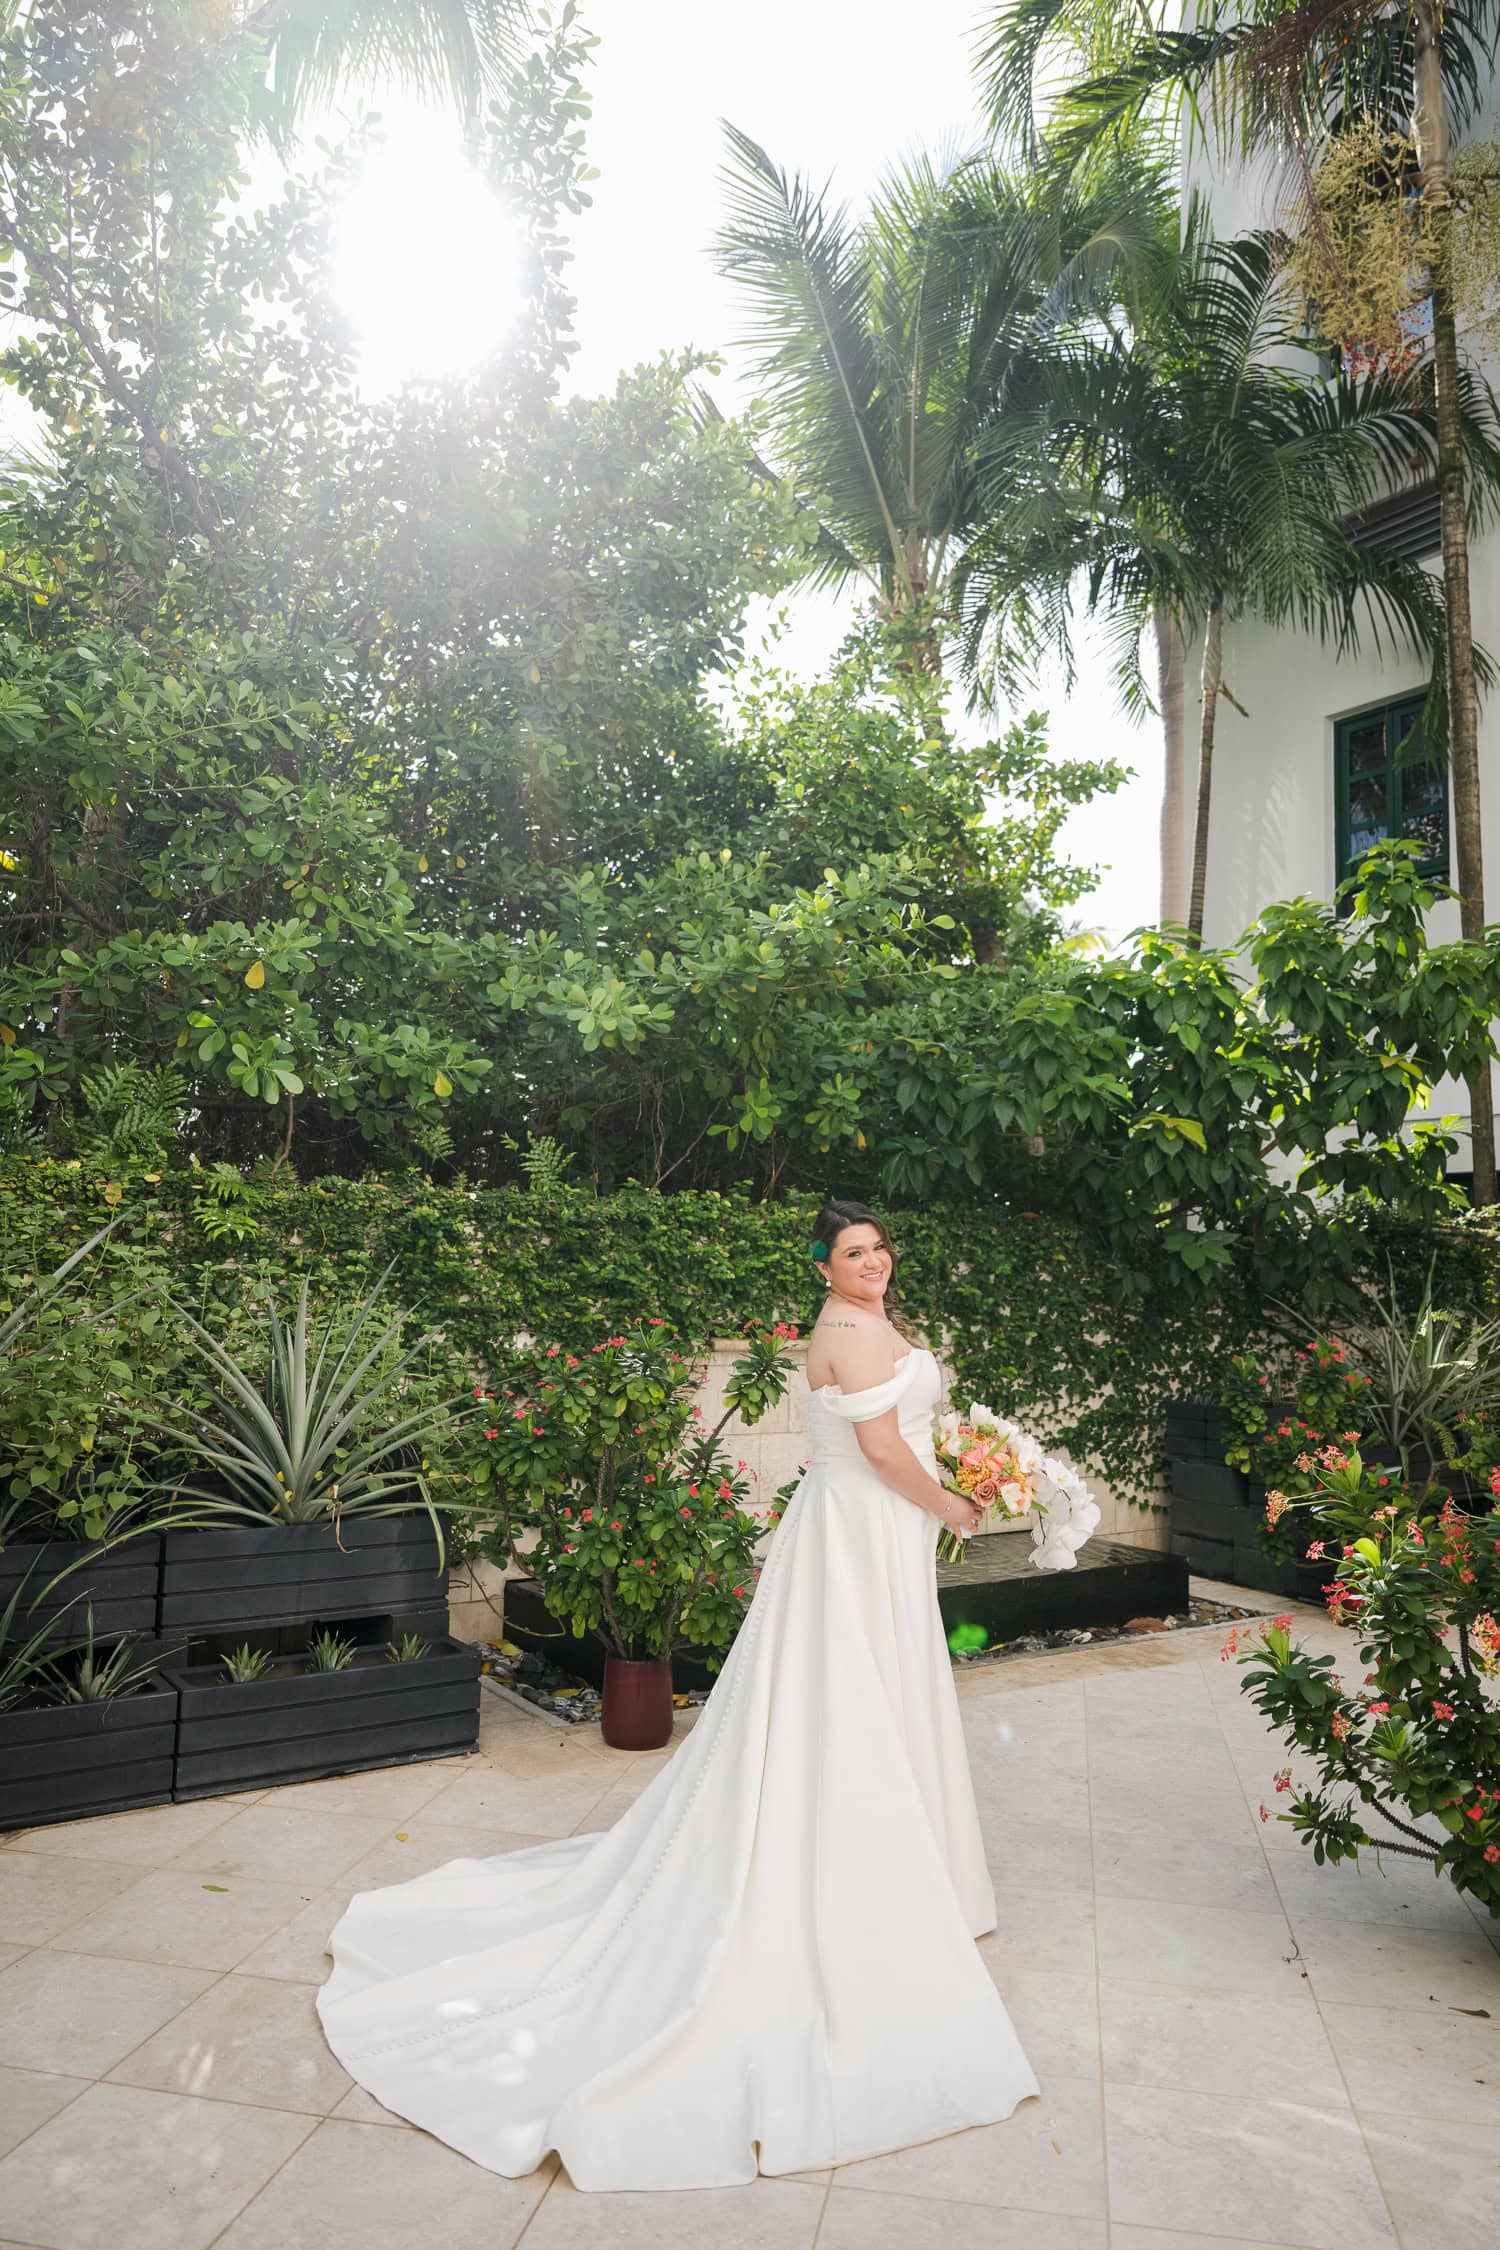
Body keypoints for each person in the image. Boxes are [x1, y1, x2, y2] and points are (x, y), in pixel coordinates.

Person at [315, 1197, 1040, 2189]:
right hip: (858, 1536)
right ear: (823, 1266)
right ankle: (857, 1876)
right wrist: (957, 1503)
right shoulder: (845, 1328)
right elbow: (878, 1452)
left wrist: (964, 1463)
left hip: (880, 1535)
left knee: (878, 1689)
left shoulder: (876, 1321)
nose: (872, 1263)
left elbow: (904, 1428)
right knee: (847, 1697)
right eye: (852, 1253)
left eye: (878, 1248)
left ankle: (926, 1869)